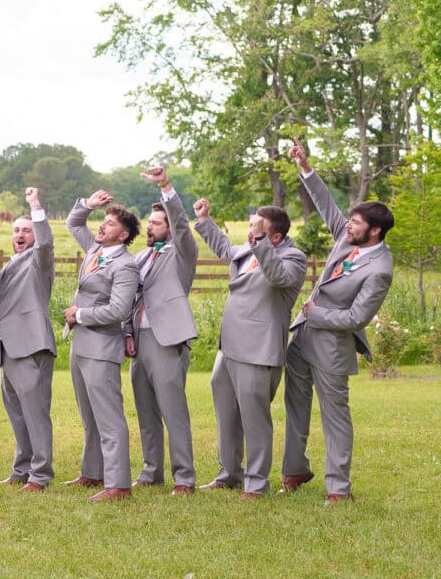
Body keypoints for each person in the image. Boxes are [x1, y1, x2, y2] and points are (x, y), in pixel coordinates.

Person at [282, 141, 395, 502]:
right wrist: (305, 165)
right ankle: (295, 469)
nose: (348, 224)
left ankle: (339, 489)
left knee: (335, 417)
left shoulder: (380, 270)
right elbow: (325, 203)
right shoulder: (346, 239)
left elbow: (357, 317)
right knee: (295, 406)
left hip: (332, 347)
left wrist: (316, 313)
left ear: (374, 231)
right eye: (350, 219)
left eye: (357, 222)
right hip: (301, 339)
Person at [193, 199, 307, 498]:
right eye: (252, 224)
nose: (251, 232)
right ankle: (230, 473)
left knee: (255, 419)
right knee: (226, 415)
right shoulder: (249, 249)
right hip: (228, 346)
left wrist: (259, 243)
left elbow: (278, 276)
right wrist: (205, 220)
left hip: (259, 350)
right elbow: (226, 250)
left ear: (276, 237)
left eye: (258, 227)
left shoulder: (294, 258)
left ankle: (256, 483)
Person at [63, 190, 141, 501]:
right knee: (89, 416)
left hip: (101, 347)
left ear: (122, 235)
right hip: (80, 346)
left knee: (109, 418)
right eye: (103, 221)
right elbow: (73, 223)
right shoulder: (95, 249)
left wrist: (79, 314)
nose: (102, 226)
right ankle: (92, 473)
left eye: (108, 224)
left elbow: (119, 310)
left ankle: (119, 485)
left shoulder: (126, 266)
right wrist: (88, 205)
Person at [127, 167, 199, 494]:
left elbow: (183, 225)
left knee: (173, 411)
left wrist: (166, 187)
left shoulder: (183, 253)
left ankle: (184, 477)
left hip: (167, 339)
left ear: (169, 229)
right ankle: (151, 470)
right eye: (149, 222)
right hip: (138, 341)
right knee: (145, 410)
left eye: (156, 223)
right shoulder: (141, 256)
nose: (149, 227)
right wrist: (127, 334)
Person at [0, 187, 56, 491]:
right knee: (17, 413)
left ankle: (40, 475)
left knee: (35, 412)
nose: (20, 234)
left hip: (32, 345)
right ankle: (22, 468)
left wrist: (35, 207)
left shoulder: (38, 260)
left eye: (26, 230)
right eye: (16, 230)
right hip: (8, 347)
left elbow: (45, 242)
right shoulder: (10, 264)